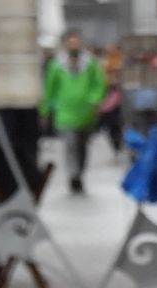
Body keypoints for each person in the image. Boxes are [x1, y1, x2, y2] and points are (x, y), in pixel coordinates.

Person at [40, 31, 107, 193]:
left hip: (85, 113)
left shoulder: (90, 64)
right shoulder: (56, 65)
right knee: (70, 145)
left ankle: (80, 172)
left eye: (76, 42)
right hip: (65, 113)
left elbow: (99, 84)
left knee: (82, 146)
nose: (74, 46)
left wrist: (94, 100)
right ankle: (73, 174)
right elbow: (49, 89)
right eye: (71, 42)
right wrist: (45, 111)